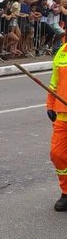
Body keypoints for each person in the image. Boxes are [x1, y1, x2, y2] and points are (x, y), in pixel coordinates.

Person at [48, 41, 67, 211]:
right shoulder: (62, 52)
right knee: (57, 154)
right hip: (62, 114)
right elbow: (54, 83)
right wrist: (50, 104)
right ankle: (66, 192)